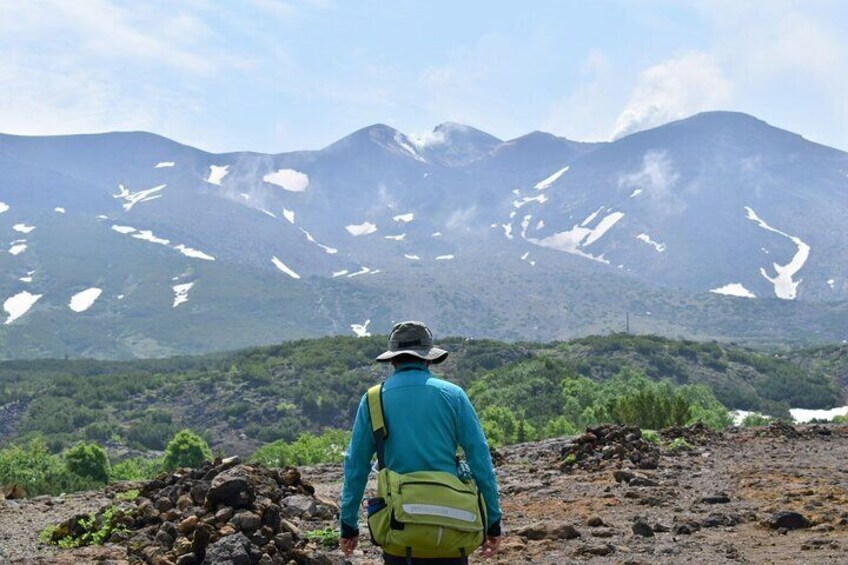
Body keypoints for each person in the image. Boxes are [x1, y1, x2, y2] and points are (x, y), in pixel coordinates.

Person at [339, 321, 502, 564]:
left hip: (400, 527)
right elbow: (480, 460)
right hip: (452, 524)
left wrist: (348, 524)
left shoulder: (373, 399)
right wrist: (493, 521)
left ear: (393, 360)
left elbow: (356, 467)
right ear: (428, 358)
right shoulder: (454, 395)